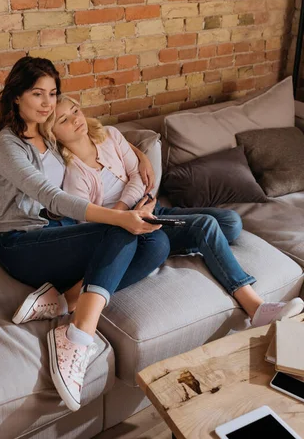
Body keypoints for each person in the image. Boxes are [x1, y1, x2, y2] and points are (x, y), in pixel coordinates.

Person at [17, 94, 303, 334]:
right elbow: (88, 221)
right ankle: (255, 306)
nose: (75, 120)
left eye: (75, 111)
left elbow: (140, 177)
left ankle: (179, 241)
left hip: (152, 209)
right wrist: (124, 213)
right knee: (205, 226)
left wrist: (139, 201)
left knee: (230, 222)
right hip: (131, 226)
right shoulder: (73, 174)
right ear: (52, 134)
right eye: (63, 120)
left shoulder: (111, 136)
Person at [0, 56, 170, 413]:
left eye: (53, 94)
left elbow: (94, 139)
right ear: (16, 97)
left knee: (157, 243)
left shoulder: (48, 133)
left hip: (60, 232)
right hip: (22, 243)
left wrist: (139, 156)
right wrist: (120, 218)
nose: (48, 104)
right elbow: (53, 196)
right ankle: (75, 336)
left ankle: (64, 300)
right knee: (121, 229)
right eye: (37, 94)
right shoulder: (7, 146)